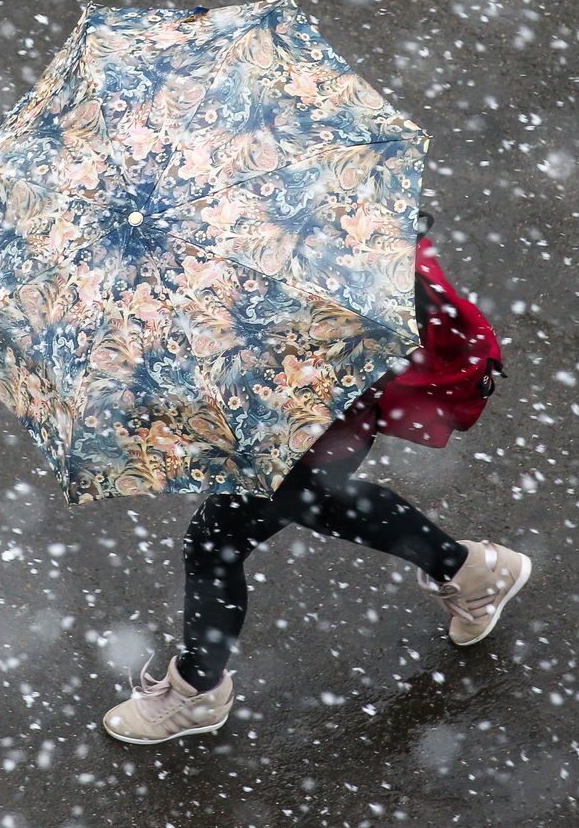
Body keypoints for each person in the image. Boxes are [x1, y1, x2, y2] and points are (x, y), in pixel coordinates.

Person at [102, 225, 532, 745]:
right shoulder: (267, 204)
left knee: (216, 542)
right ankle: (471, 572)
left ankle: (196, 693)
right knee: (316, 500)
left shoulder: (300, 245)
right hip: (313, 399)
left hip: (307, 406)